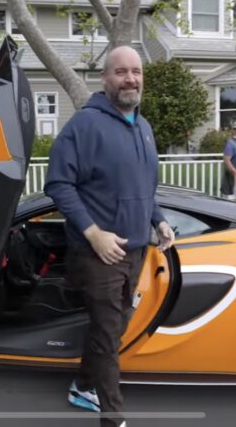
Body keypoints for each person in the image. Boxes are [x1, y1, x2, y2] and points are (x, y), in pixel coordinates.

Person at [44, 45, 175, 427]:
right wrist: (94, 233)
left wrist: (158, 220)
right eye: (121, 72)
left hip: (135, 251)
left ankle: (83, 385)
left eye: (136, 71)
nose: (130, 79)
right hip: (97, 253)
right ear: (104, 79)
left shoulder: (144, 127)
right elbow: (58, 183)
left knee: (112, 329)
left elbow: (144, 186)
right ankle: (112, 417)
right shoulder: (84, 126)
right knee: (106, 334)